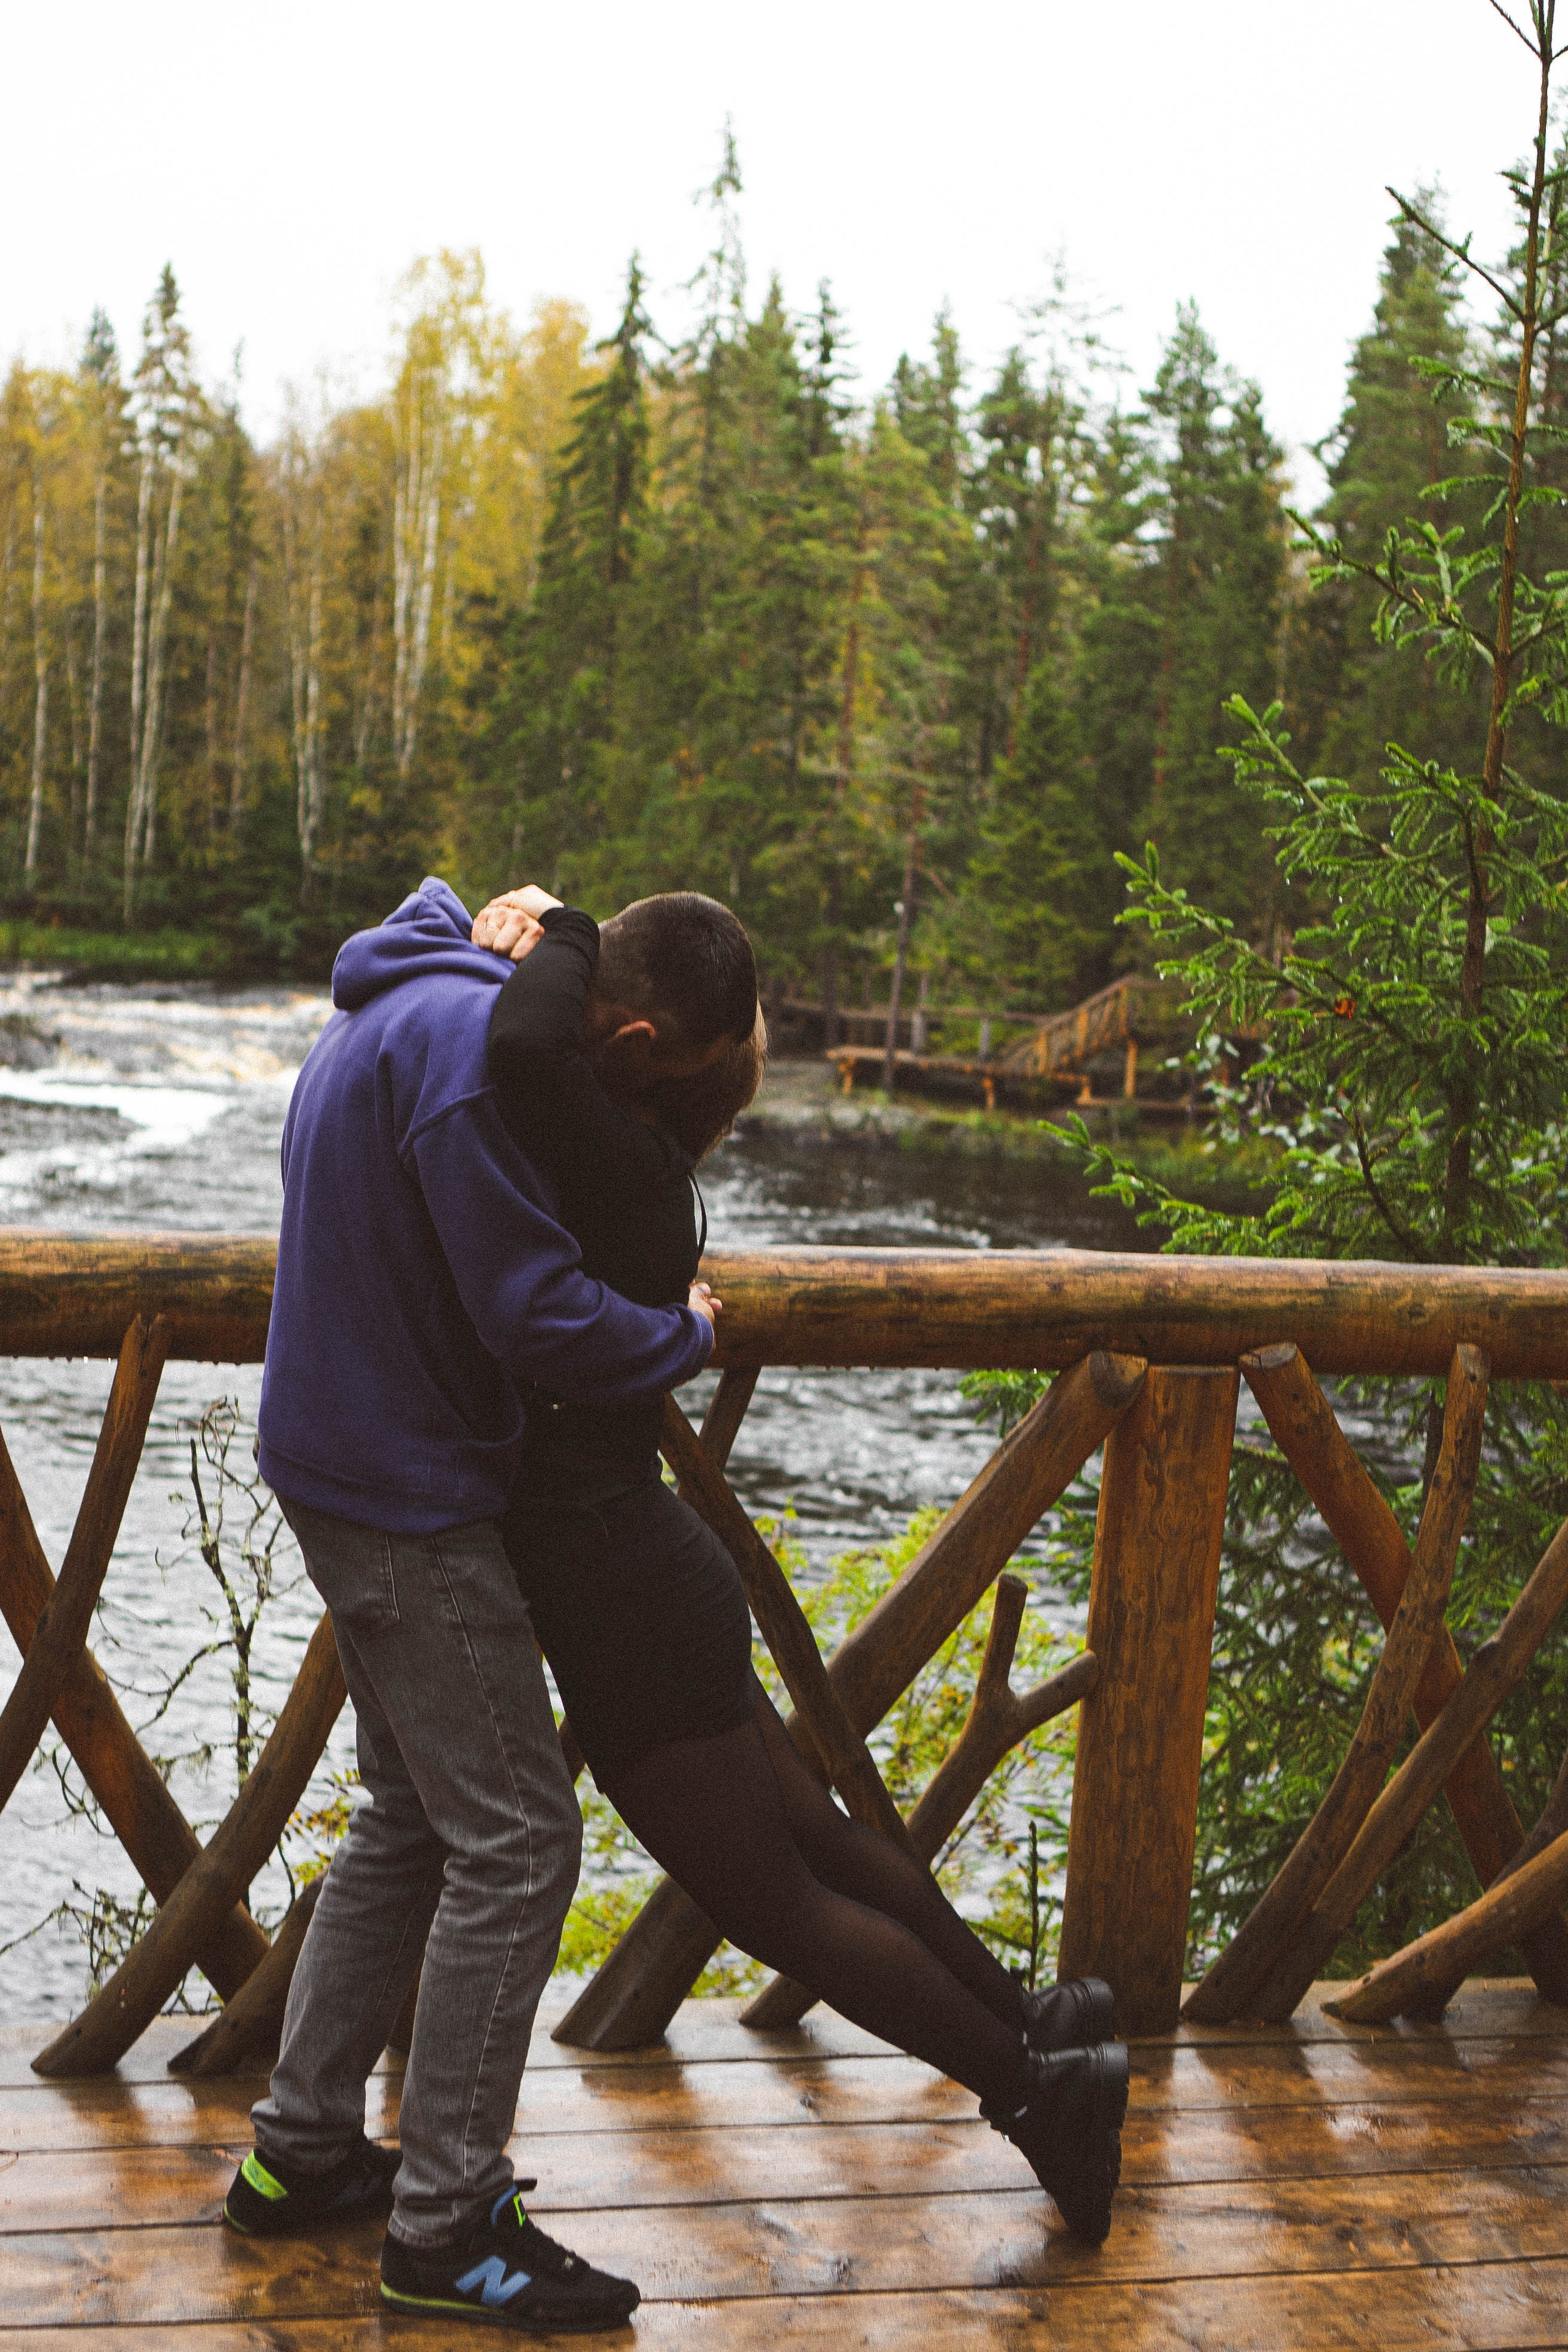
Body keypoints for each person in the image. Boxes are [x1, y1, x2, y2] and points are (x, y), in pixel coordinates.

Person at [477, 884, 1129, 2248]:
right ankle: (1041, 2024)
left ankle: (1031, 2092)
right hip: (653, 1570)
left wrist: (565, 918)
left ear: (639, 1044)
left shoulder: (599, 1149)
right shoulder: (646, 1172)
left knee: (775, 1901)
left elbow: (527, 1049)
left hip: (619, 1597)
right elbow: (550, 1049)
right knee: (820, 1848)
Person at [221, 875, 731, 2336]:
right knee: (518, 1835)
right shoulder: (464, 1058)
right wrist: (679, 1332)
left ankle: (303, 2150)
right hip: (402, 1488)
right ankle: (447, 2225)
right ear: (628, 1033)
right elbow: (533, 1313)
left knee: (407, 1813)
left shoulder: (414, 987)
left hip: (341, 1449)